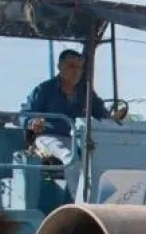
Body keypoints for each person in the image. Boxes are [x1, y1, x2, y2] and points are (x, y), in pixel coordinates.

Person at [18, 48, 126, 199]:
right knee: (71, 158)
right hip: (48, 138)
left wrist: (112, 119)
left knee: (104, 160)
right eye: (71, 67)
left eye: (79, 68)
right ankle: (82, 204)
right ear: (59, 67)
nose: (76, 72)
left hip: (78, 138)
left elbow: (101, 113)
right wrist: (32, 122)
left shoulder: (85, 91)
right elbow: (24, 114)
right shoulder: (44, 90)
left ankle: (109, 201)